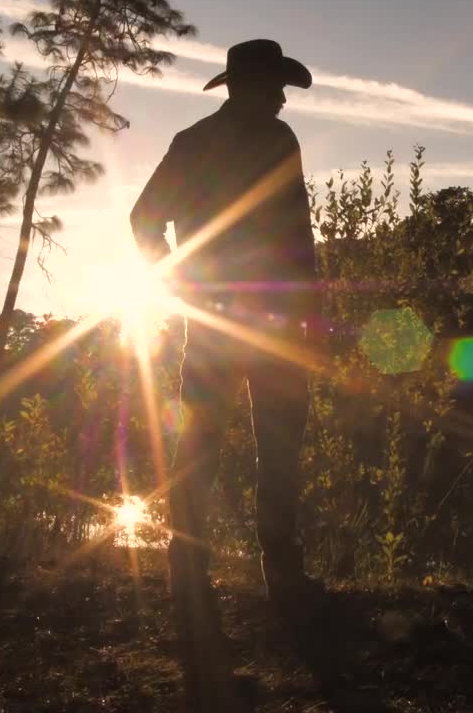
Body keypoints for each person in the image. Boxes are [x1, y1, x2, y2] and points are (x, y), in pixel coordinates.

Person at [129, 39, 323, 709]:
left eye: (282, 87)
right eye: (274, 85)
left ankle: (232, 571)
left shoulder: (257, 140)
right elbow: (145, 220)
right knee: (227, 443)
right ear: (246, 86)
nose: (282, 97)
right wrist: (182, 281)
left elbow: (297, 231)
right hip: (243, 320)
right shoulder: (206, 143)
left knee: (243, 443)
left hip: (259, 321)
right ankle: (231, 570)